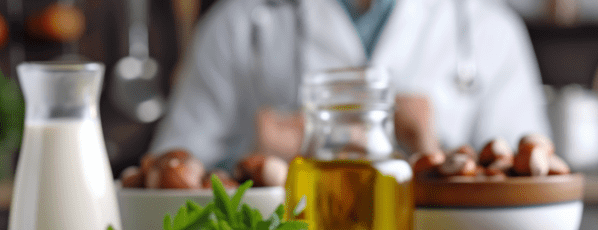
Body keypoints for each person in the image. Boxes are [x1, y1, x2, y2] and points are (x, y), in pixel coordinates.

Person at [150, 0, 550, 170]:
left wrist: (435, 157)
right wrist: (250, 165)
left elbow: (529, 181)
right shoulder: (237, 24)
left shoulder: (491, 28)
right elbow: (166, 183)